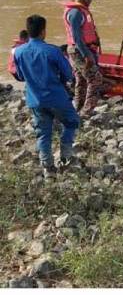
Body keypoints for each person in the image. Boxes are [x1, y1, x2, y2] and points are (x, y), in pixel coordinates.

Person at [13, 15, 80, 179]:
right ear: (43, 31)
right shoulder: (53, 51)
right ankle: (65, 157)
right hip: (56, 98)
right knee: (72, 121)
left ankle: (48, 168)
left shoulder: (19, 52)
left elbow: (20, 76)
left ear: (28, 31)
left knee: (43, 133)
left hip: (35, 99)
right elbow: (68, 74)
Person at [62, 0, 104, 117]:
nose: (91, 1)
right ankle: (86, 112)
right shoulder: (75, 13)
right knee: (95, 79)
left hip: (79, 50)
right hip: (79, 51)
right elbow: (77, 38)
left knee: (81, 79)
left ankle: (78, 108)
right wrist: (87, 55)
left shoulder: (79, 11)